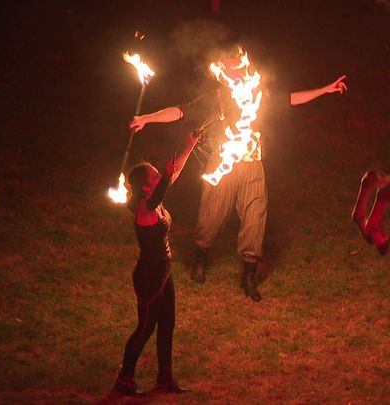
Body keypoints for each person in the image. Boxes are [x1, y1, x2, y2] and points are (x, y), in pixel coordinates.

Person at [130, 48, 348, 301]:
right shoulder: (216, 98)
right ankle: (200, 259)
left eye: (241, 67)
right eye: (232, 68)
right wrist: (147, 118)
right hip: (221, 164)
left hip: (252, 164)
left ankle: (248, 276)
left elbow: (289, 98)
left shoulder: (257, 94)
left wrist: (324, 89)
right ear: (223, 72)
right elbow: (180, 111)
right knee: (211, 214)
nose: (238, 72)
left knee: (256, 216)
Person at [114, 131, 198, 396]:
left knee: (168, 324)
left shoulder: (155, 201)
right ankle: (124, 379)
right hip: (149, 276)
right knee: (146, 328)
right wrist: (167, 170)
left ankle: (165, 378)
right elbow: (162, 187)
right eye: (154, 175)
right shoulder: (145, 209)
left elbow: (170, 178)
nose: (159, 176)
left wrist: (190, 147)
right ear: (146, 186)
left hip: (164, 271)